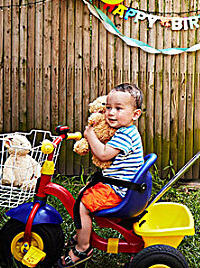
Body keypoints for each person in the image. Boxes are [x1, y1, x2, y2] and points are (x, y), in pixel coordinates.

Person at [58, 83, 144, 267]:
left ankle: (83, 248)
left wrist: (90, 135)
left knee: (82, 206)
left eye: (119, 109)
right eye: (108, 107)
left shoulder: (126, 135)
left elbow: (103, 154)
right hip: (120, 185)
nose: (111, 113)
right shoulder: (124, 131)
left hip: (119, 190)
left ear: (135, 114)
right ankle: (82, 233)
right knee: (85, 192)